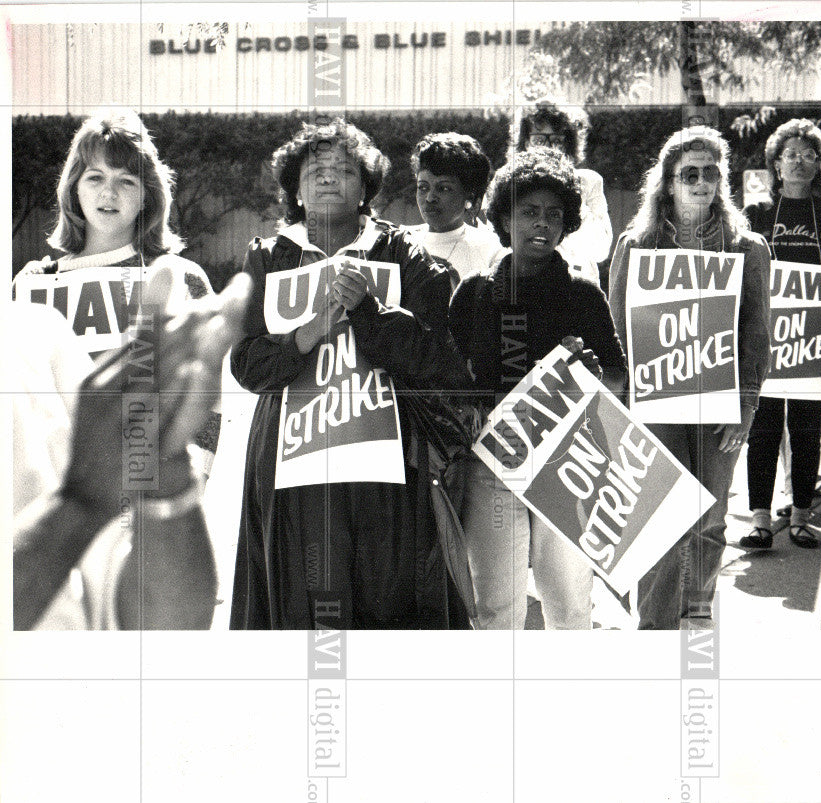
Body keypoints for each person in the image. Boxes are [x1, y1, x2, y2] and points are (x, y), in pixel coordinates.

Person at [229, 121, 472, 630]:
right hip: (292, 466)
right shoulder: (268, 255)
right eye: (314, 170)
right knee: (300, 603)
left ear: (367, 189)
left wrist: (369, 311)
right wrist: (305, 335)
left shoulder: (401, 252)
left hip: (385, 467)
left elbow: (437, 356)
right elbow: (248, 365)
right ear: (294, 189)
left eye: (344, 169)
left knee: (388, 602)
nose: (328, 177)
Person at [13, 266, 250, 630]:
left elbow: (167, 632)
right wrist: (79, 506)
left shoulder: (38, 331)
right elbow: (88, 495)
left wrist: (165, 471)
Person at [449, 148, 626, 630]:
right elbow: (448, 378)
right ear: (503, 218)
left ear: (568, 222)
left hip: (567, 469)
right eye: (528, 212)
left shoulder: (583, 293)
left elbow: (618, 380)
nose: (541, 225)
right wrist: (466, 411)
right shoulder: (475, 293)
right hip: (494, 468)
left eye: (554, 214)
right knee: (498, 609)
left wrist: (591, 374)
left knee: (569, 608)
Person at [607, 126, 771, 629]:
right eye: (690, 174)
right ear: (669, 183)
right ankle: (654, 626)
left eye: (711, 173)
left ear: (722, 181)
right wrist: (624, 407)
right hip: (653, 403)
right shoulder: (636, 246)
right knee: (658, 515)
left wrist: (746, 409)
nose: (701, 182)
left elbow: (756, 336)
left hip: (720, 405)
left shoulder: (747, 247)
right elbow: (614, 330)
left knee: (709, 518)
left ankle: (696, 617)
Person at [739, 119, 821, 551]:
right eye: (791, 154)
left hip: (813, 342)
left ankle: (803, 516)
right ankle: (759, 520)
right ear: (775, 162)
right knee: (763, 430)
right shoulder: (756, 216)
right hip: (766, 340)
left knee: (807, 430)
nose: (800, 162)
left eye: (810, 155)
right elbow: (741, 280)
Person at [14, 108, 211, 310]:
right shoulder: (35, 284)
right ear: (75, 190)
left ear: (146, 197)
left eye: (126, 181)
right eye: (95, 178)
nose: (109, 193)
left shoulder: (182, 278)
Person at [516, 100, 613, 285]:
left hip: (577, 289)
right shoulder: (512, 185)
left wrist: (574, 196)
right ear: (526, 143)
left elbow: (601, 250)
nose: (548, 147)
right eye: (539, 139)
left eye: (557, 141)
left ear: (568, 145)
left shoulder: (588, 182)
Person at [406, 132, 505, 280]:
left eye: (444, 188)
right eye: (423, 187)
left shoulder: (492, 249)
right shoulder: (401, 242)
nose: (430, 198)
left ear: (469, 196)